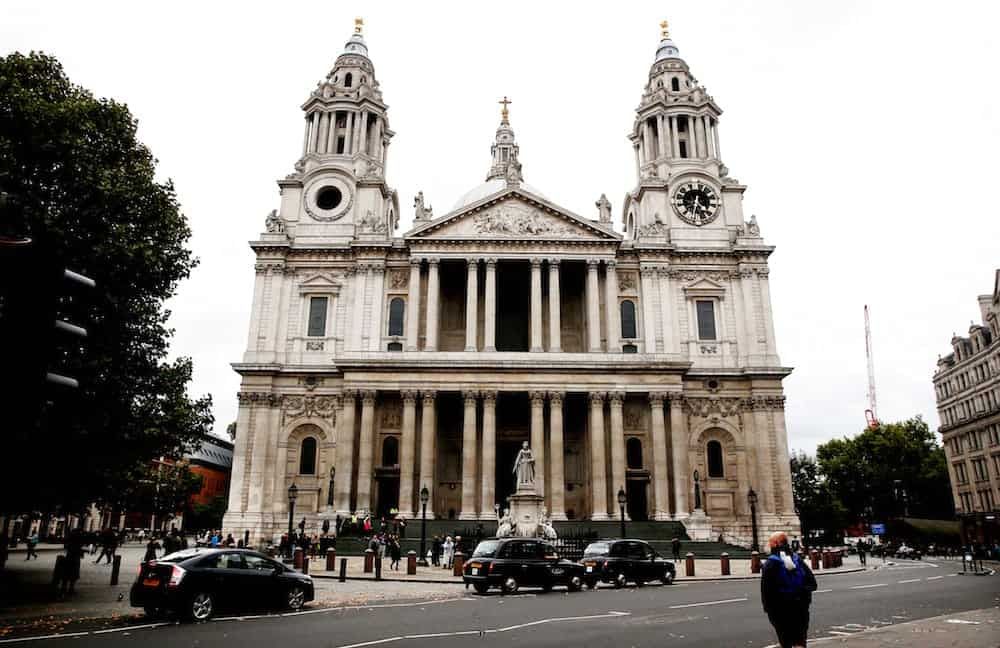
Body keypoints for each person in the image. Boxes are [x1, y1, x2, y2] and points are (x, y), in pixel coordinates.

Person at [761, 531, 817, 648]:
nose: (769, 545)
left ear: (776, 544)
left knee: (785, 641)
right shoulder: (797, 559)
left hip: (780, 610)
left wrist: (769, 609)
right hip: (800, 607)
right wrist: (803, 598)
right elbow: (812, 583)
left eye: (770, 542)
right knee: (800, 640)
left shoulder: (770, 563)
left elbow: (766, 591)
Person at [58, 529, 85, 596]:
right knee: (73, 574)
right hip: (75, 558)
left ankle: (64, 588)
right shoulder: (79, 539)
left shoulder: (70, 539)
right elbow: (80, 549)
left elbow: (66, 545)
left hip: (69, 557)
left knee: (66, 574)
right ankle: (71, 589)